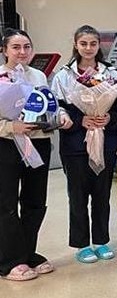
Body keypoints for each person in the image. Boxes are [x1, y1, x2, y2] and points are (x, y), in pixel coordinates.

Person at [0, 29, 72, 281]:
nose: (22, 52)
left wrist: (60, 116)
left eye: (27, 47)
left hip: (37, 143)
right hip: (7, 145)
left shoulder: (38, 75)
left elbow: (49, 104)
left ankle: (27, 252)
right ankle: (9, 261)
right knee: (6, 203)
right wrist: (11, 126)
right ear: (4, 50)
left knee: (35, 201)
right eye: (16, 47)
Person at [52, 25, 117, 263]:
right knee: (78, 195)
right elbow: (57, 108)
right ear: (76, 45)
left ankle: (101, 242)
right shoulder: (64, 76)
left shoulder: (112, 75)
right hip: (75, 144)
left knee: (102, 194)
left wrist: (109, 117)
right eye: (83, 43)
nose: (88, 48)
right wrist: (79, 120)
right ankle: (82, 245)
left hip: (104, 141)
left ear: (99, 46)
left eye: (93, 44)